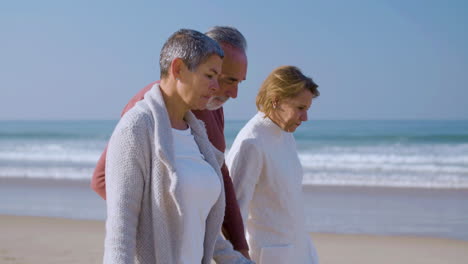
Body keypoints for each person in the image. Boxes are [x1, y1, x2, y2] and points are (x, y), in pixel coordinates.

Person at [92, 26, 250, 259]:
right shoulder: (138, 124)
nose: (221, 88)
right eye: (211, 76)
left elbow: (201, 217)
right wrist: (158, 226)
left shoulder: (200, 127)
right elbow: (120, 232)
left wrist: (240, 252)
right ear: (179, 69)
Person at [226, 66, 320, 264]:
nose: (305, 118)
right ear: (276, 100)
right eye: (300, 108)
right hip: (269, 256)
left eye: (307, 109)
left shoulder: (285, 134)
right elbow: (233, 214)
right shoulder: (251, 143)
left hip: (300, 251)